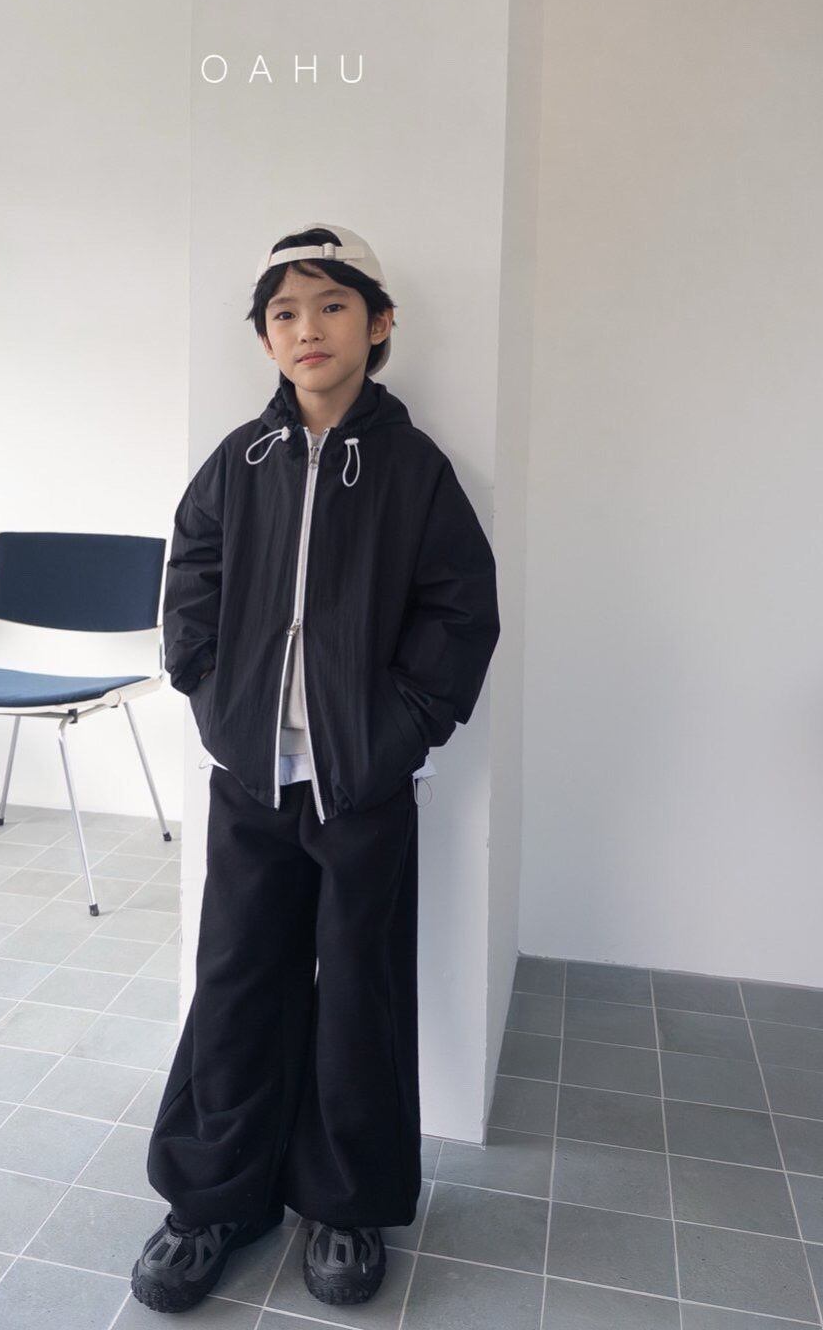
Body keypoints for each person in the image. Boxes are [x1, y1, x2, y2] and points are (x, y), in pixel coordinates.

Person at [130, 224, 500, 1314]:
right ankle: (213, 1199)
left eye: (331, 305)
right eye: (284, 313)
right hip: (253, 777)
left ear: (378, 324)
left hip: (363, 786)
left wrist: (401, 730)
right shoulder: (238, 463)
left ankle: (343, 1203)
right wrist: (211, 693)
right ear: (264, 338)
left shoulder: (413, 470)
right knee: (236, 979)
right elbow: (189, 579)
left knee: (358, 994)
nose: (307, 328)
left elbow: (459, 609)